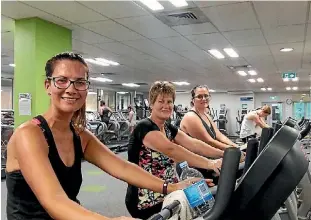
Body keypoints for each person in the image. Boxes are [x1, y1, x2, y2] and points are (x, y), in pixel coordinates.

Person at [5, 52, 204, 220]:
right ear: (48, 86)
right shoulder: (29, 135)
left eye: (80, 82)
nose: (71, 89)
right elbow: (54, 200)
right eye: (62, 80)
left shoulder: (80, 136)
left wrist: (171, 187)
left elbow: (122, 167)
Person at [125, 81, 223, 220]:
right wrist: (209, 164)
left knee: (206, 201)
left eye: (170, 101)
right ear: (152, 104)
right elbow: (172, 149)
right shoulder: (144, 127)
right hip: (147, 198)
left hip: (171, 189)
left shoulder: (167, 127)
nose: (166, 105)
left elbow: (194, 144)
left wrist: (225, 153)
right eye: (161, 101)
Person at [180, 85, 240, 151]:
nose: (204, 99)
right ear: (193, 100)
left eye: (206, 96)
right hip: (196, 158)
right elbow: (209, 141)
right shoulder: (191, 117)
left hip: (208, 154)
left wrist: (236, 146)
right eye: (199, 96)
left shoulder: (206, 115)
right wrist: (233, 150)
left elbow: (219, 135)